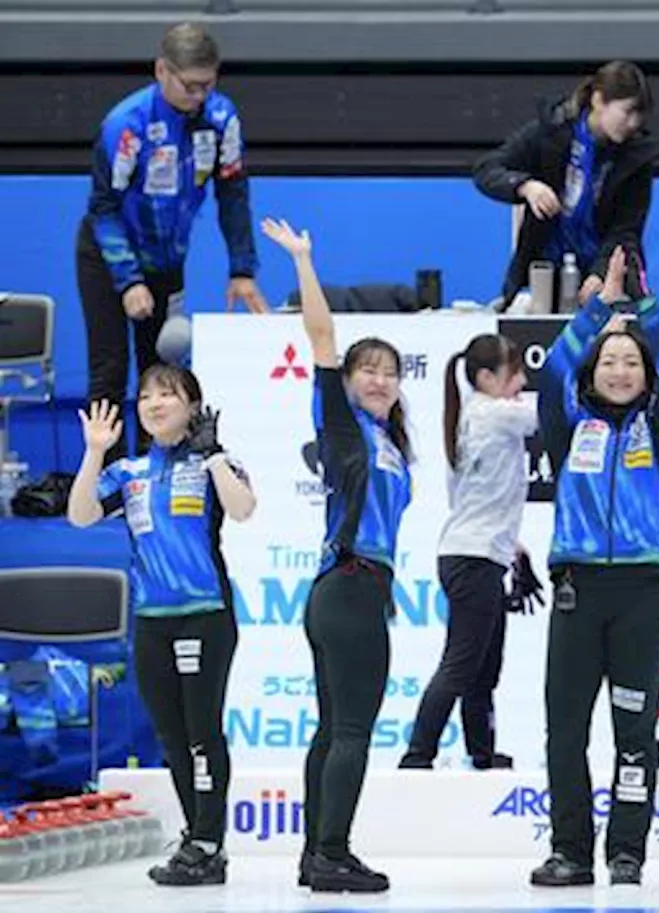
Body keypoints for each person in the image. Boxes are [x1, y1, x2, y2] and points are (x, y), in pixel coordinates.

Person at [531, 246, 659, 888]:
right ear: (591, 372)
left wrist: (643, 306)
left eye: (630, 362)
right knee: (565, 731)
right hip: (576, 588)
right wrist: (597, 309)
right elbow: (552, 372)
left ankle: (627, 849)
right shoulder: (567, 423)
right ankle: (570, 849)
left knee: (635, 731)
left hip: (642, 592)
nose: (620, 370)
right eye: (609, 361)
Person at [262, 217, 414, 894]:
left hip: (347, 591)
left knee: (332, 730)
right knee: (351, 729)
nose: (379, 379)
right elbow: (321, 337)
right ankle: (330, 852)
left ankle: (317, 852)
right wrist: (303, 261)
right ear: (347, 381)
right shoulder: (344, 423)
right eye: (368, 370)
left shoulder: (388, 440)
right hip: (348, 586)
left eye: (389, 371)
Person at [66, 366, 256, 886]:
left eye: (167, 394)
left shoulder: (213, 462)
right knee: (172, 736)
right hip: (151, 622)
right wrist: (93, 452)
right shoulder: (127, 471)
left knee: (202, 732)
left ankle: (208, 840)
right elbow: (80, 516)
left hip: (206, 617)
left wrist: (214, 454)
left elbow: (243, 510)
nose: (154, 403)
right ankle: (198, 842)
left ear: (192, 406)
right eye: (146, 395)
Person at [77, 22, 268, 466]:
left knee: (161, 373)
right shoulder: (126, 125)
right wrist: (128, 281)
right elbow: (103, 208)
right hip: (109, 256)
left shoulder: (222, 119)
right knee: (109, 370)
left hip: (168, 260)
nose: (200, 96)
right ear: (162, 70)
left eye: (209, 83)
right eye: (191, 85)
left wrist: (242, 269)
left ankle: (156, 475)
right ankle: (102, 481)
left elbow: (233, 194)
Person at [399, 333, 540, 771]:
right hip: (473, 559)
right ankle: (417, 755)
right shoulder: (496, 414)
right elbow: (547, 413)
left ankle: (481, 751)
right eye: (513, 372)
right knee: (462, 664)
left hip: (478, 553)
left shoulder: (470, 418)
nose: (521, 380)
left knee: (484, 666)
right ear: (485, 377)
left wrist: (510, 545)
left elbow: (470, 497)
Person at [473, 61, 659, 310]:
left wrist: (601, 272)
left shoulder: (638, 157)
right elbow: (486, 170)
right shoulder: (549, 131)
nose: (633, 123)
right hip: (542, 275)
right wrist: (526, 186)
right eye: (627, 111)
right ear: (598, 100)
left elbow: (627, 230)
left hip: (606, 281)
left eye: (640, 115)